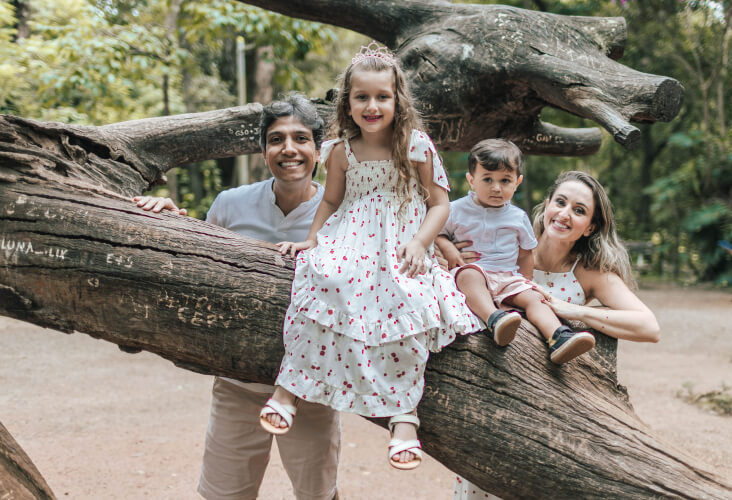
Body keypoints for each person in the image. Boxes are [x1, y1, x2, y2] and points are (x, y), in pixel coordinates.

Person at [258, 41, 479, 471]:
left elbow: (439, 204)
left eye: (382, 97)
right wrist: (312, 239)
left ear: (398, 100)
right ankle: (289, 390)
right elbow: (331, 201)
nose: (372, 106)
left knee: (408, 298)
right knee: (324, 280)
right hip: (351, 238)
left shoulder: (416, 145)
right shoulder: (341, 150)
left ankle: (404, 416)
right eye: (362, 97)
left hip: (401, 240)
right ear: (348, 102)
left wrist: (420, 243)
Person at [133, 95, 341, 500]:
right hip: (236, 385)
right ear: (263, 151)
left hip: (312, 386)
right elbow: (198, 267)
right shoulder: (230, 205)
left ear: (319, 150)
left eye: (301, 138)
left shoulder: (344, 213)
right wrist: (166, 220)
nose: (289, 149)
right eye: (276, 139)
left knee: (318, 494)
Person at [450, 170, 661, 500]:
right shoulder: (503, 243)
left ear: (590, 227)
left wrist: (574, 311)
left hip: (549, 405)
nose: (564, 214)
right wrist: (448, 254)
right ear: (546, 204)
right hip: (492, 394)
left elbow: (649, 327)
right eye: (560, 202)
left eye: (579, 210)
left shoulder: (589, 272)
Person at [436, 139, 595, 364]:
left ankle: (558, 337)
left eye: (505, 180)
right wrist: (448, 247)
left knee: (535, 298)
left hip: (507, 277)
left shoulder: (518, 217)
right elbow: (438, 233)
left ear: (517, 182)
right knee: (469, 275)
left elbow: (525, 254)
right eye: (487, 179)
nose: (496, 188)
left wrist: (525, 283)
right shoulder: (455, 209)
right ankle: (495, 319)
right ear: (471, 180)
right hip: (473, 272)